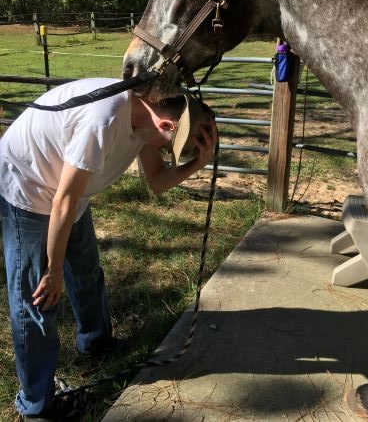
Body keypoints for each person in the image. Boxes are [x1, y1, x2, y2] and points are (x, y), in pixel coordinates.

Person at [0, 77, 217, 421]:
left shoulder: (147, 114)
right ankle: (36, 406)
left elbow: (157, 182)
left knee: (85, 268)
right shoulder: (103, 119)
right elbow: (62, 203)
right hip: (30, 184)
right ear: (166, 124)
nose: (165, 151)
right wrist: (53, 270)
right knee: (38, 297)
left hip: (69, 191)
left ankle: (96, 341)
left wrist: (195, 164)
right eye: (171, 146)